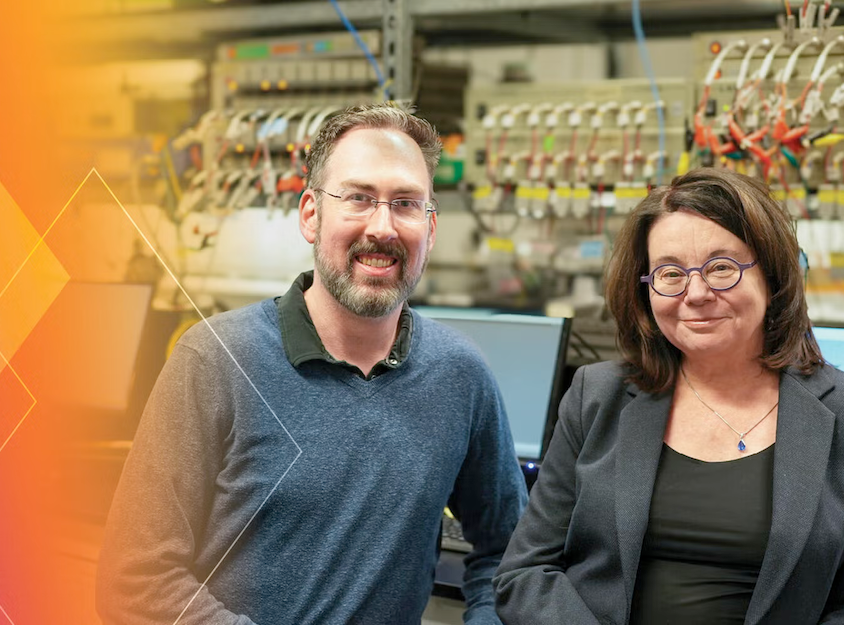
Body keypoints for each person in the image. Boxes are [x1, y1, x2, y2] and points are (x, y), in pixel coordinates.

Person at [96, 105, 527, 624]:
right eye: (358, 199)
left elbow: (510, 555)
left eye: (407, 204)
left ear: (430, 230)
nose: (383, 227)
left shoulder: (460, 376)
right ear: (310, 215)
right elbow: (136, 580)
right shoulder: (215, 360)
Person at [493, 168, 844, 624]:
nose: (697, 293)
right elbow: (525, 573)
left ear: (771, 273)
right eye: (670, 274)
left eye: (722, 268)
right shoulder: (597, 397)